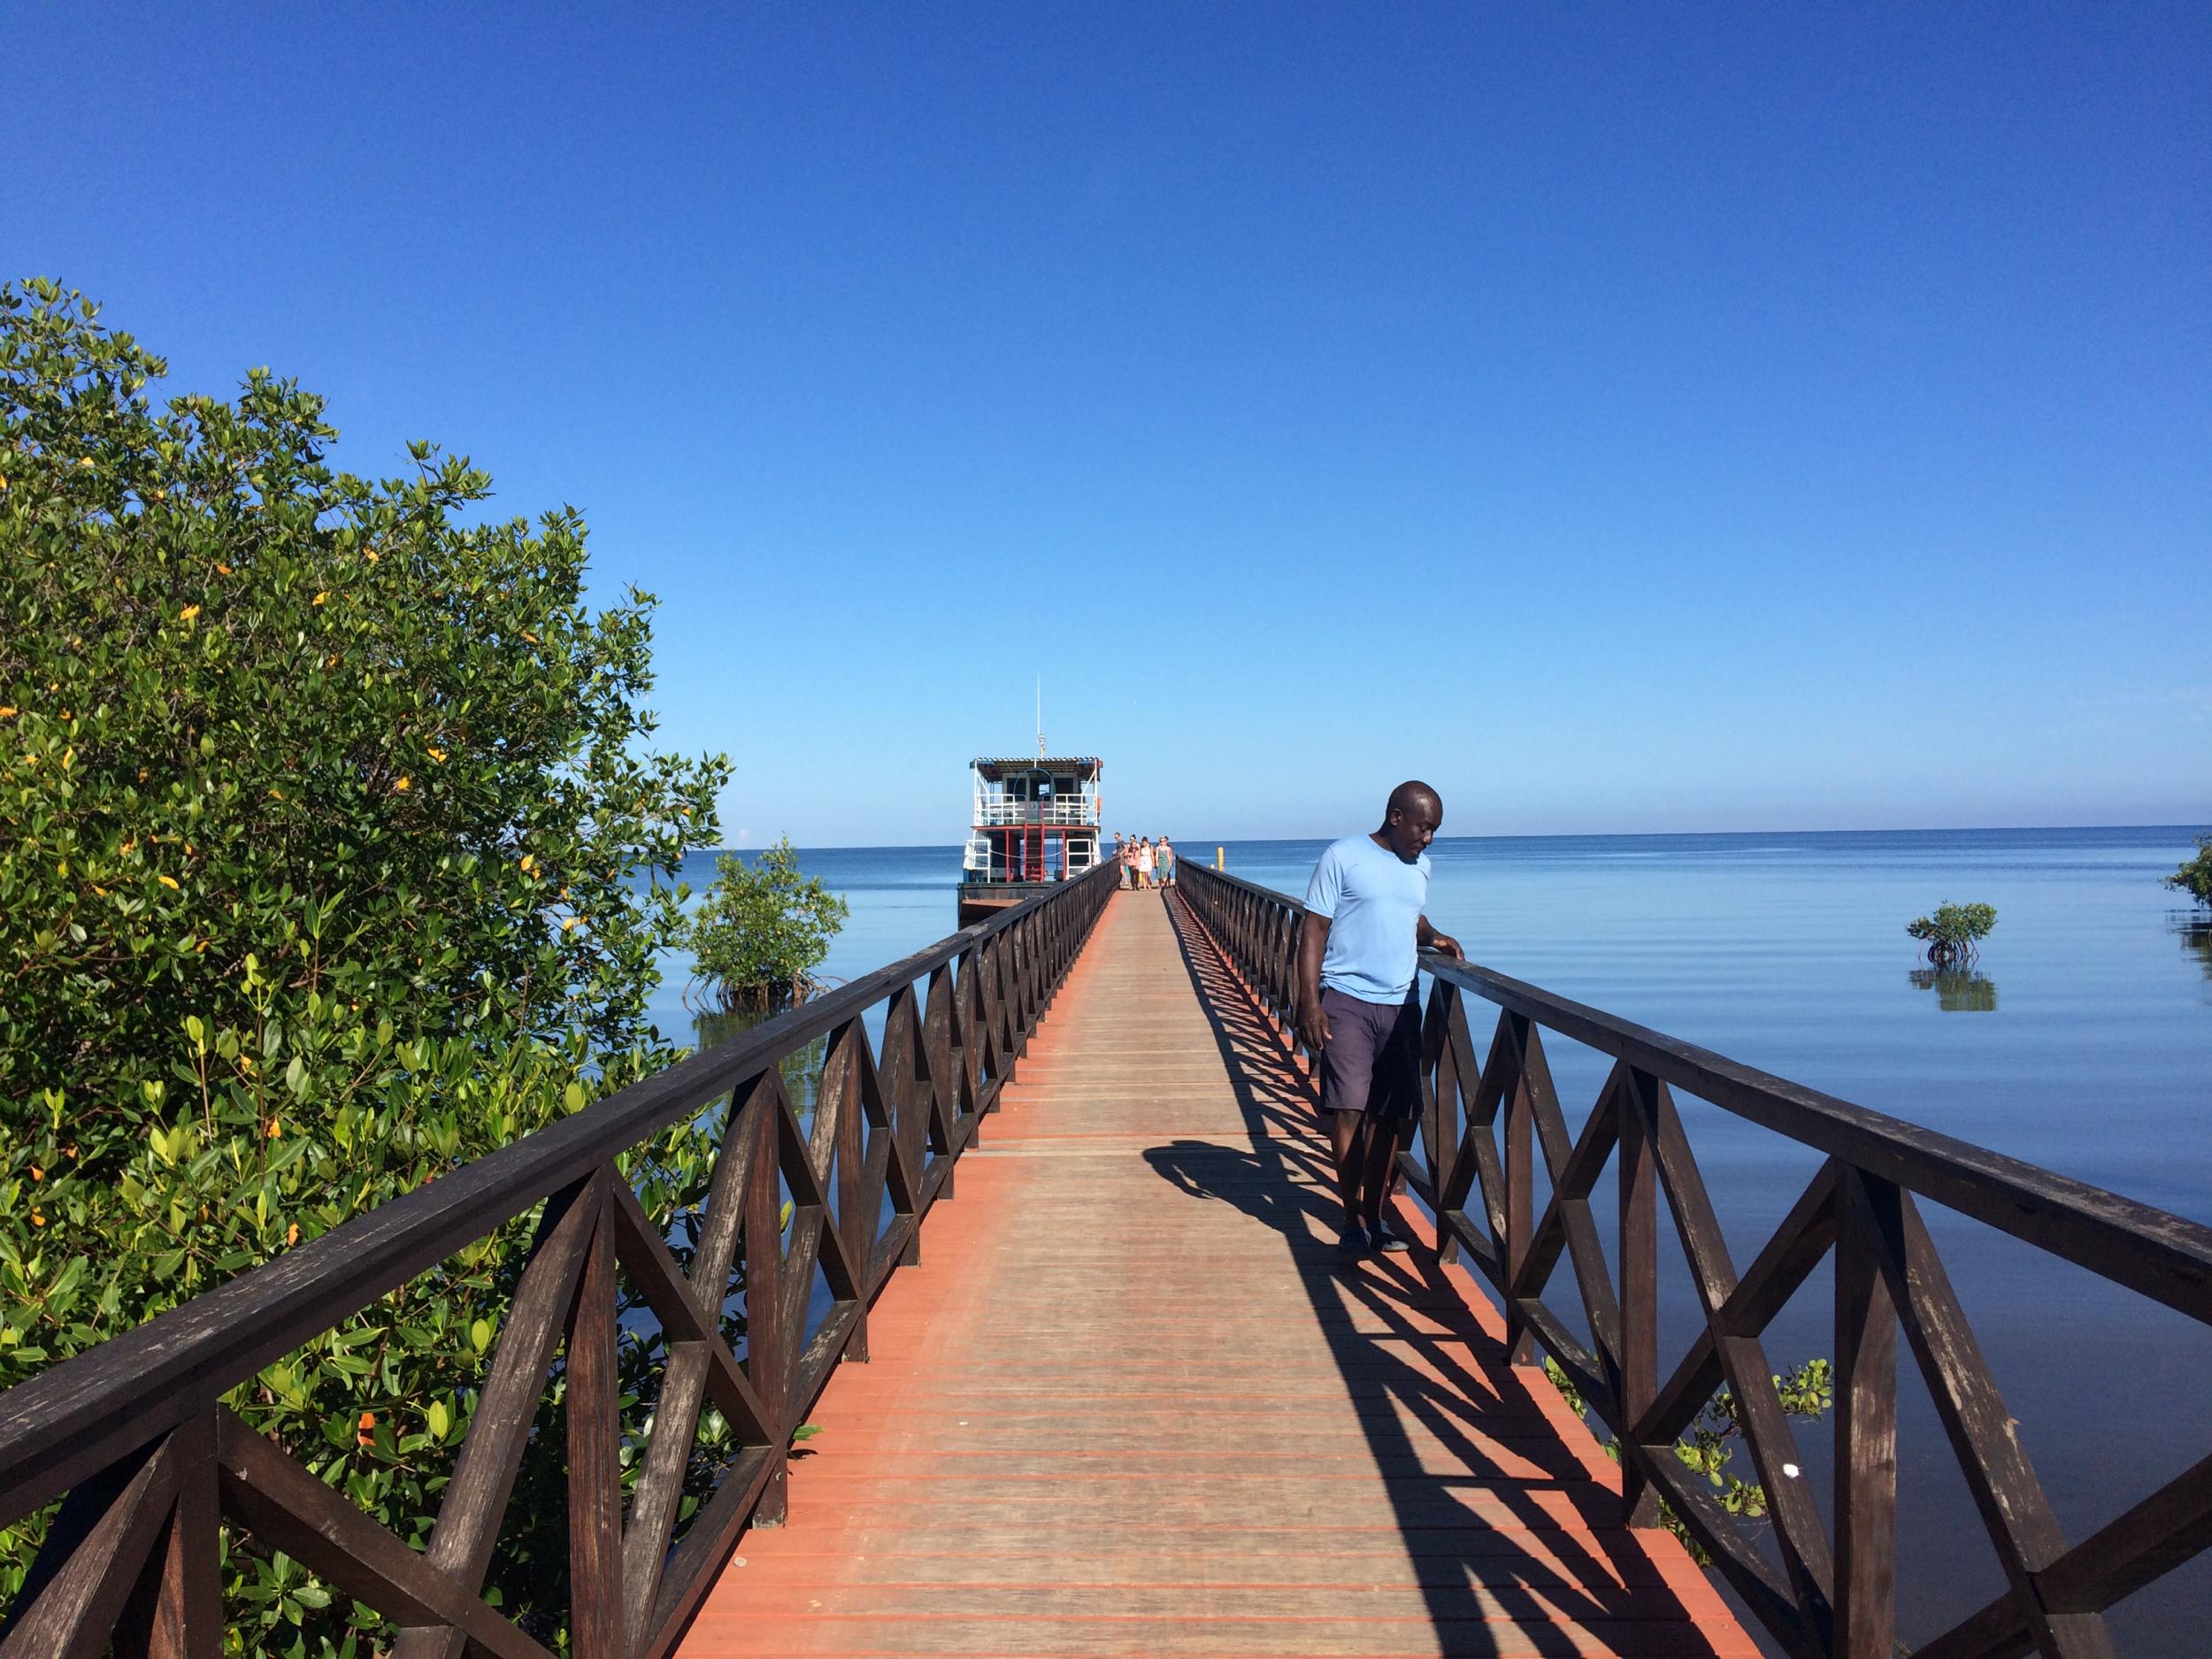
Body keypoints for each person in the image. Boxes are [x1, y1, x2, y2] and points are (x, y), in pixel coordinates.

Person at [1295, 781, 1462, 1255]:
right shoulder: (1343, 856)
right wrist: (1309, 1002)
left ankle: (1376, 1216)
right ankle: (1351, 1222)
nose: (1428, 839)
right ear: (1395, 817)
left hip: (1403, 1005)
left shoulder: (1420, 868)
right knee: (1348, 1109)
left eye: (1435, 831)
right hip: (1347, 999)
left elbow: (1410, 919)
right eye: (1424, 828)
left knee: (1391, 1116)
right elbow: (1314, 930)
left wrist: (1434, 937)